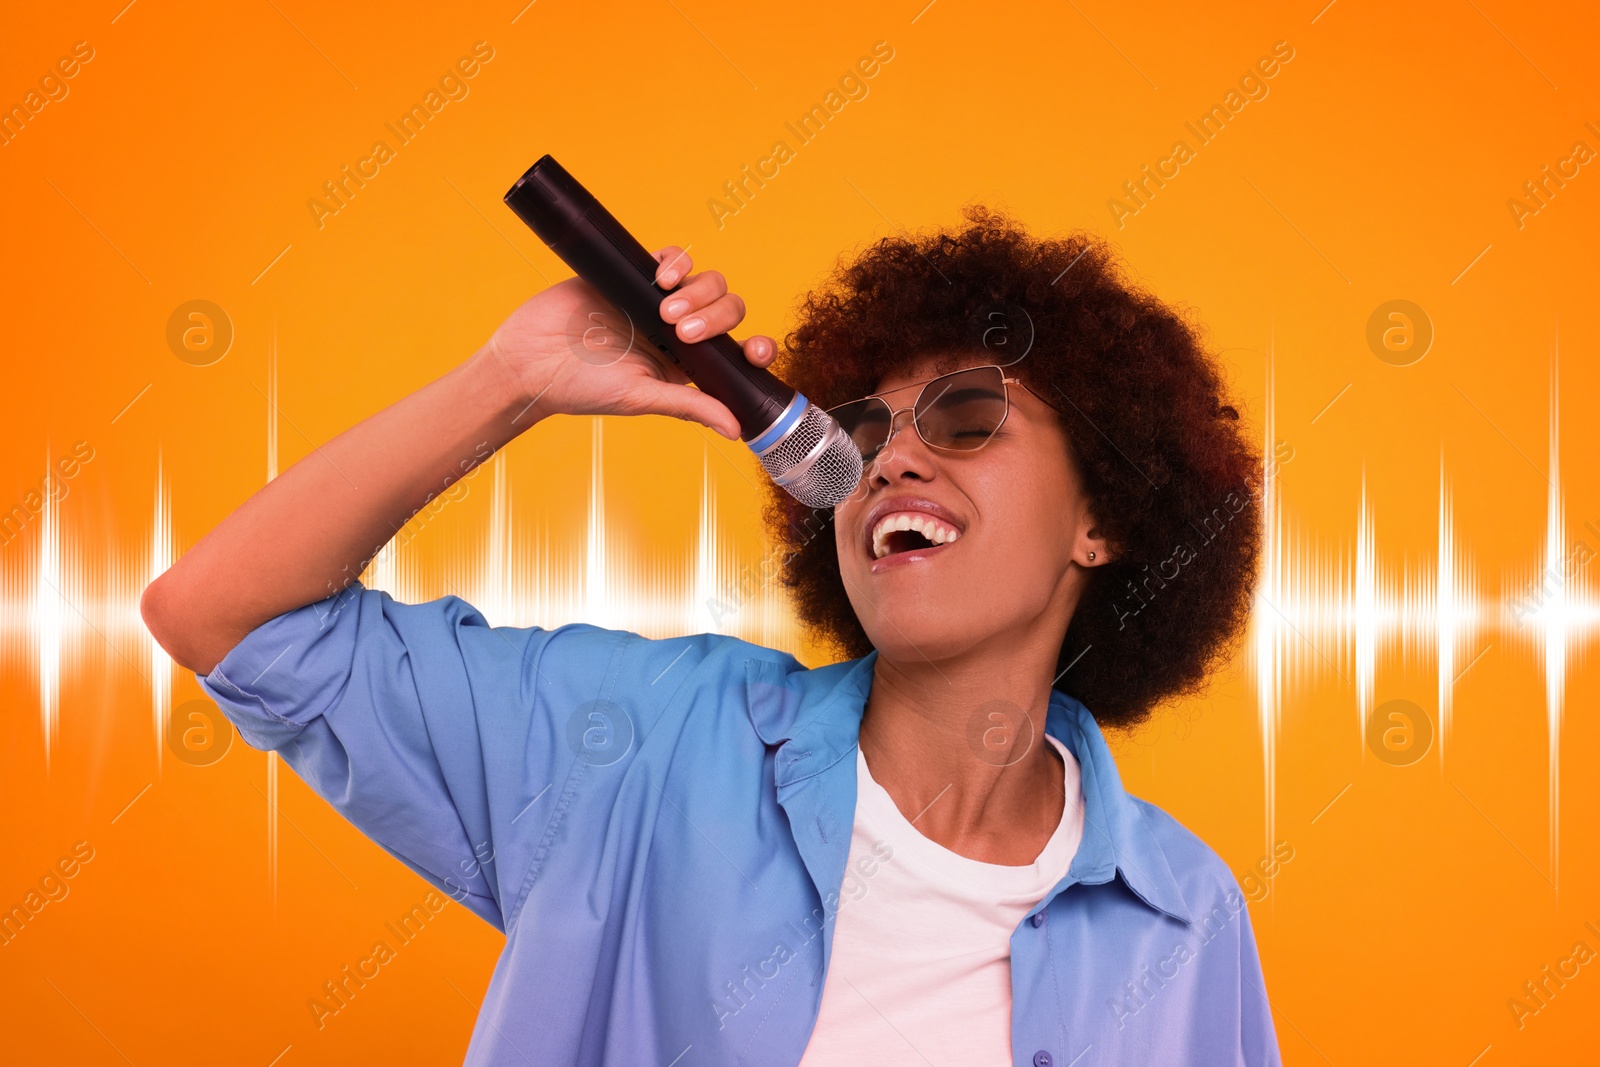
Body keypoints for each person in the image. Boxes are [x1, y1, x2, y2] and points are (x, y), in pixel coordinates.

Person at [142, 205, 1279, 1066]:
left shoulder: (1183, 911)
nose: (889, 458)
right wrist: (513, 382)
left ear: (1104, 519)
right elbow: (224, 617)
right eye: (863, 427)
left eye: (969, 420)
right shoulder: (639, 741)